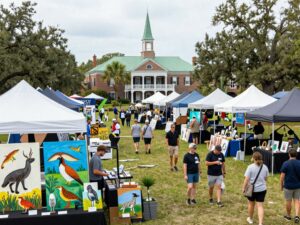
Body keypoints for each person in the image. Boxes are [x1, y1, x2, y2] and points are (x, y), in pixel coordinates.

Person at [242, 152, 269, 225]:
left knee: (251, 204)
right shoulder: (265, 167)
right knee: (260, 206)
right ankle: (260, 223)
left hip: (252, 190)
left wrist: (243, 188)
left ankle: (250, 219)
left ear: (253, 158)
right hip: (262, 189)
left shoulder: (250, 167)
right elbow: (266, 178)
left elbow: (246, 179)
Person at [280, 148, 300, 223]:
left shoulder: (286, 163)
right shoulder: (299, 163)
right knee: (297, 201)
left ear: (289, 154)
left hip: (288, 186)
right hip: (298, 186)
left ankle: (288, 216)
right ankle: (297, 216)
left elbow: (282, 177)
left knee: (288, 201)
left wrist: (281, 186)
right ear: (296, 155)